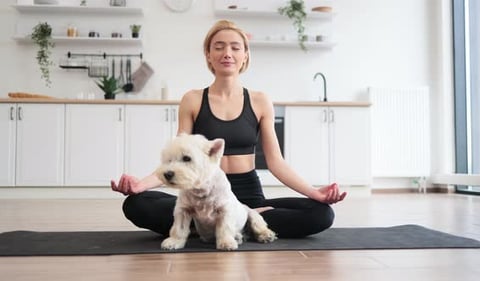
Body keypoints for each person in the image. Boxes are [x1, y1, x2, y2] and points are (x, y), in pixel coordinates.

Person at [111, 19, 347, 238]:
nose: (227, 53)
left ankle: (230, 222)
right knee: (136, 203)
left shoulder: (260, 100)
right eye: (219, 47)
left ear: (245, 55)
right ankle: (226, 225)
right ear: (208, 55)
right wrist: (139, 185)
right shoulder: (192, 99)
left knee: (321, 213)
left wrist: (316, 193)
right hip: (202, 198)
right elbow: (176, 161)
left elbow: (276, 163)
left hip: (249, 197)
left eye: (235, 47)